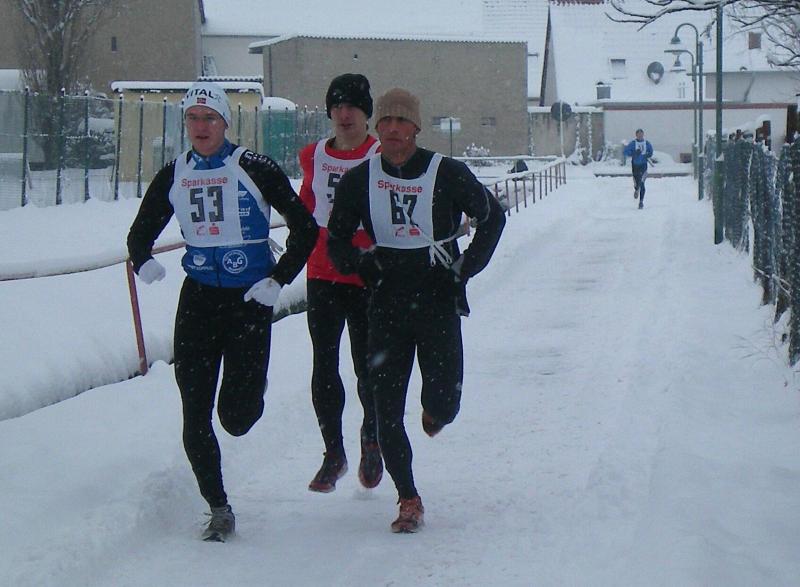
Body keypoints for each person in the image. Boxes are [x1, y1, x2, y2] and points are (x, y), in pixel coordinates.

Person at [127, 81, 318, 542]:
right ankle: (218, 507)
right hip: (197, 302)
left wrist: (278, 279)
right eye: (193, 118)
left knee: (236, 418)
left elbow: (305, 228)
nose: (200, 126)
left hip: (249, 302)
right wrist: (144, 260)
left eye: (209, 118)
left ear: (225, 123)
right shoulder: (174, 173)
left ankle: (251, 389)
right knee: (194, 411)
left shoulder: (254, 166)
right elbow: (139, 232)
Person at [327, 88, 505, 533]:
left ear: (416, 127)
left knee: (444, 403)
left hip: (436, 298)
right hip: (385, 303)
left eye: (401, 122)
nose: (392, 129)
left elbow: (493, 217)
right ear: (377, 127)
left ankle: (435, 412)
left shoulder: (447, 173)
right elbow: (337, 238)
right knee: (385, 408)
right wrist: (359, 264)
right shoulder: (360, 179)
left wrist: (465, 268)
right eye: (385, 121)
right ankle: (407, 498)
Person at [297, 73, 383, 493]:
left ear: (366, 114)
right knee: (324, 363)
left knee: (368, 366)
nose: (344, 114)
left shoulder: (381, 154)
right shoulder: (314, 156)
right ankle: (333, 452)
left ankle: (372, 436)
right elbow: (304, 210)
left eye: (352, 107)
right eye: (337, 106)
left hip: (367, 273)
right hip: (323, 272)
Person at [623, 128, 653, 209]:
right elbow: (625, 152)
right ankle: (636, 189)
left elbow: (651, 151)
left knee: (642, 183)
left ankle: (641, 202)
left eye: (641, 134)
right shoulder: (633, 144)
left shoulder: (647, 143)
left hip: (643, 165)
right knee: (637, 183)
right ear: (636, 135)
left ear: (643, 135)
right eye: (638, 134)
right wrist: (634, 153)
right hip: (635, 165)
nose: (640, 136)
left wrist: (648, 154)